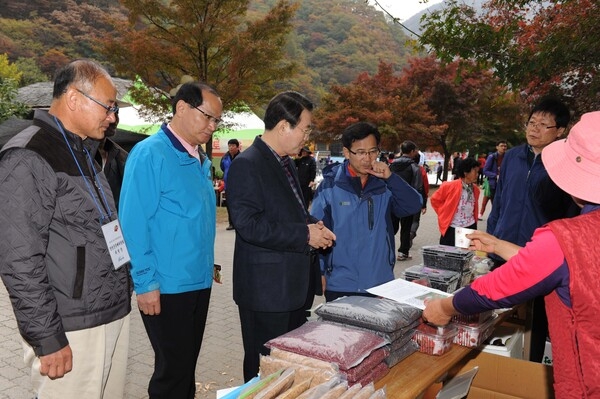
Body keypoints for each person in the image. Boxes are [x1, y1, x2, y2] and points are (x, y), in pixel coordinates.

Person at [423, 111, 600, 399]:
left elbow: (495, 290)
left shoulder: (566, 236)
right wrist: (499, 245)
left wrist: (444, 307)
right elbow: (564, 265)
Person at [0, 59, 131, 399]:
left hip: (108, 312)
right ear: (73, 99)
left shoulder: (84, 150)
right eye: (108, 107)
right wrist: (48, 338)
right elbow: (19, 260)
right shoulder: (28, 155)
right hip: (71, 326)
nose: (113, 117)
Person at [119, 82, 222, 398]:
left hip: (198, 281)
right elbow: (133, 223)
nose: (212, 126)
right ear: (181, 108)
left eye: (217, 121)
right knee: (172, 372)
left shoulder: (198, 159)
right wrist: (146, 282)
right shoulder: (150, 154)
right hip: (166, 287)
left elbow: (193, 222)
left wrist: (210, 266)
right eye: (208, 117)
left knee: (185, 368)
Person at [226, 91, 336, 382]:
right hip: (267, 293)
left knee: (288, 369)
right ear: (284, 126)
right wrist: (304, 234)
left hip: (293, 288)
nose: (307, 137)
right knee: (265, 372)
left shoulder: (285, 162)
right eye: (305, 129)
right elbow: (248, 224)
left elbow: (292, 213)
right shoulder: (247, 164)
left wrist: (315, 227)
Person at [485, 97, 579, 363]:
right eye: (532, 122)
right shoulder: (512, 156)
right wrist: (492, 239)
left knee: (536, 322)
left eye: (543, 125)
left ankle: (531, 369)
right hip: (502, 251)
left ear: (560, 131)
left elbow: (570, 214)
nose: (534, 129)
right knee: (499, 314)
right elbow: (500, 201)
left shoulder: (564, 162)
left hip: (540, 257)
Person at [310, 122, 422, 302]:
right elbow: (318, 230)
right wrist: (321, 272)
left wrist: (391, 178)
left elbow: (413, 205)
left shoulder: (385, 185)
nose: (367, 158)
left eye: (372, 151)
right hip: (340, 283)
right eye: (360, 152)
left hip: (381, 283)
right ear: (346, 153)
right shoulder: (329, 187)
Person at [430, 157, 480, 246]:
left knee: (464, 255)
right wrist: (444, 213)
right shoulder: (449, 186)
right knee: (447, 255)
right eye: (475, 171)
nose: (477, 174)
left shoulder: (476, 189)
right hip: (452, 227)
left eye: (478, 171)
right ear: (466, 172)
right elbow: (435, 200)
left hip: (469, 226)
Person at [390, 140, 425, 261]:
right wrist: (420, 202)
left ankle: (384, 247)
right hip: (407, 202)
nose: (416, 153)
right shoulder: (414, 167)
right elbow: (418, 186)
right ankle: (403, 252)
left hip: (393, 201)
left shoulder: (392, 164)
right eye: (415, 151)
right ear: (411, 152)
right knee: (406, 228)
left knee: (391, 227)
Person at [95, 112, 128, 210]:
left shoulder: (122, 157)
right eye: (107, 111)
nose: (114, 119)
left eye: (117, 112)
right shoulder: (75, 152)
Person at [220, 138, 241, 230]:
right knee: (229, 205)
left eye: (233, 145)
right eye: (229, 145)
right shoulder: (224, 157)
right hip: (228, 185)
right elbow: (222, 168)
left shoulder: (242, 157)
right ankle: (231, 223)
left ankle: (239, 223)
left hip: (240, 185)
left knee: (239, 205)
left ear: (237, 147)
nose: (231, 147)